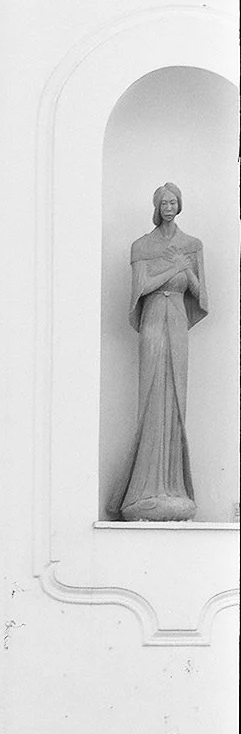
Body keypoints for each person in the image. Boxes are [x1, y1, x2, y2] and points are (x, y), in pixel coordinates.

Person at [120, 182, 204, 522]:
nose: (168, 206)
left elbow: (200, 295)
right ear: (156, 206)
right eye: (163, 202)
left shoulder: (192, 245)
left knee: (176, 397)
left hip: (178, 322)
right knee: (152, 395)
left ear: (180, 205)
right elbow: (141, 289)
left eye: (173, 201)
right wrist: (173, 268)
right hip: (154, 319)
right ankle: (145, 488)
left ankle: (174, 487)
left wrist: (186, 268)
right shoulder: (142, 246)